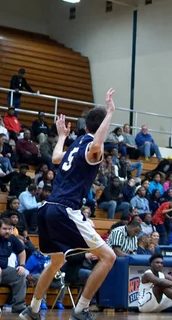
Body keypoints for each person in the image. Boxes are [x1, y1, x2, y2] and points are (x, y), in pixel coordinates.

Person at [19, 89, 118, 320]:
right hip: (65, 209)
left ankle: (32, 310)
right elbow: (97, 146)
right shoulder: (93, 148)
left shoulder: (76, 144)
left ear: (85, 128)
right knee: (109, 257)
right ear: (102, 127)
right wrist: (110, 113)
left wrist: (62, 136)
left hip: (47, 208)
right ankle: (82, 308)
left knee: (56, 261)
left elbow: (55, 159)